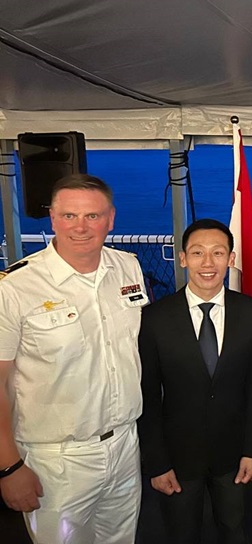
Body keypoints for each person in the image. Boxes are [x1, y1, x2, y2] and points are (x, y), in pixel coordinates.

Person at [0, 174, 147, 543]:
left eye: (92, 216)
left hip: (125, 446)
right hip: (57, 459)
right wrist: (8, 466)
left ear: (111, 219)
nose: (81, 227)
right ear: (52, 218)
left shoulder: (128, 268)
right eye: (69, 216)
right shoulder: (16, 288)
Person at [137, 218, 252, 544]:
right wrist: (156, 463)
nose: (208, 263)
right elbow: (148, 396)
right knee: (182, 535)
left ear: (231, 258)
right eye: (197, 253)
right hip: (178, 458)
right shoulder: (155, 318)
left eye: (218, 253)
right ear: (182, 258)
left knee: (235, 531)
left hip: (234, 456)